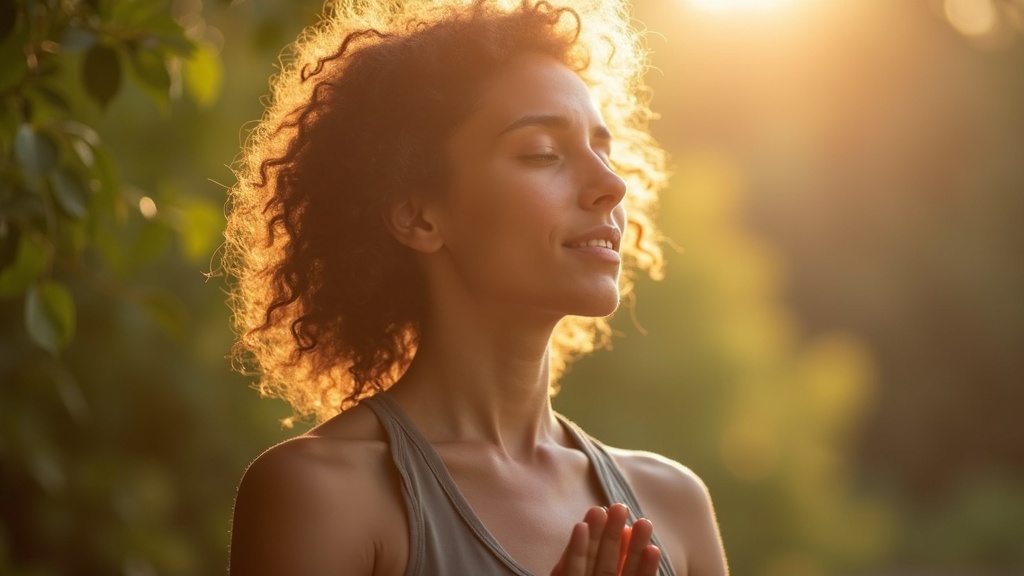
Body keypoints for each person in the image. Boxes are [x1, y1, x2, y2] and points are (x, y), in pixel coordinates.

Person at [224, 0, 729, 574]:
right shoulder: (320, 494)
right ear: (419, 216)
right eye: (543, 153)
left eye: (603, 151)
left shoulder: (673, 502)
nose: (610, 185)